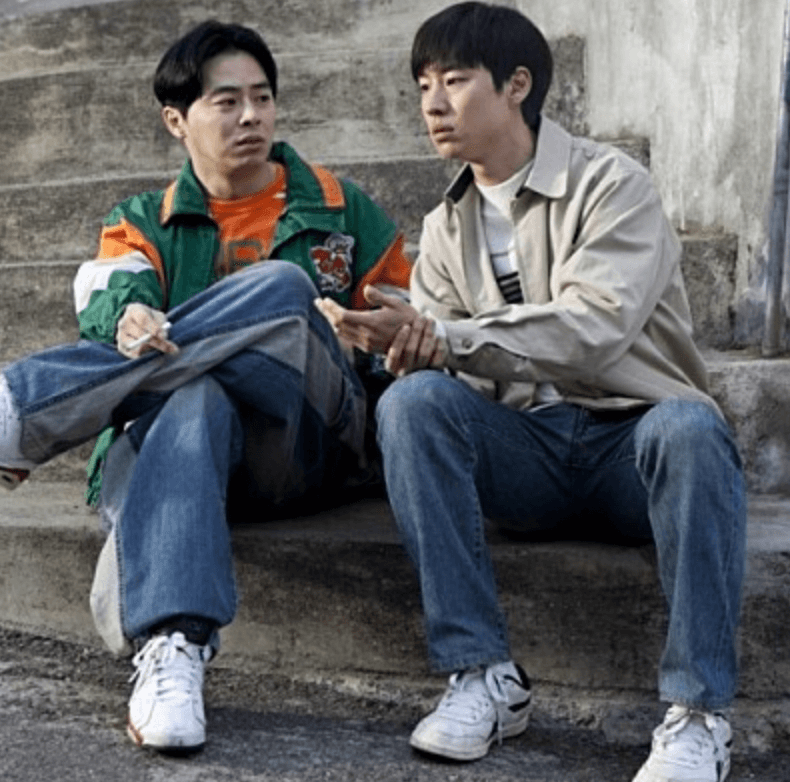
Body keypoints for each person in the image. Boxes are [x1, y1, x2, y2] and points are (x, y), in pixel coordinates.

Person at [0, 20, 410, 753]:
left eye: (263, 98)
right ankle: (172, 650)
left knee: (284, 289)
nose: (251, 117)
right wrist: (129, 319)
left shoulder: (341, 209)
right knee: (195, 395)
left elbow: (405, 325)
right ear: (176, 120)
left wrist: (364, 344)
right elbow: (107, 295)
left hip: (307, 442)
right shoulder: (141, 221)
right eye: (227, 102)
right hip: (185, 449)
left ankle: (23, 411)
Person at [316, 4, 745, 781]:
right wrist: (407, 346)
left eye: (454, 81)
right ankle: (482, 675)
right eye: (423, 85)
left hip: (633, 445)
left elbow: (594, 328)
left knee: (690, 428)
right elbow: (452, 366)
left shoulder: (613, 184)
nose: (433, 104)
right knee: (410, 405)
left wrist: (447, 336)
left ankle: (698, 713)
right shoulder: (444, 229)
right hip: (527, 456)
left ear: (517, 85)